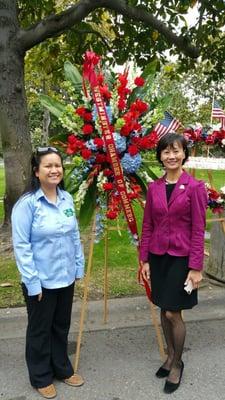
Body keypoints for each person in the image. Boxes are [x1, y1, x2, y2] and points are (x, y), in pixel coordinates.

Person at [11, 147, 85, 399]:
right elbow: (21, 246)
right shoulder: (27, 204)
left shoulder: (66, 198)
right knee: (40, 329)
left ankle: (62, 368)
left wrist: (78, 265)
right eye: (48, 166)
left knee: (61, 326)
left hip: (65, 277)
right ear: (36, 171)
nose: (55, 170)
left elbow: (74, 235)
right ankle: (40, 376)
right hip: (40, 281)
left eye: (58, 165)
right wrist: (33, 283)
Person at [139, 133, 208, 394]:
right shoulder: (154, 187)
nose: (171, 156)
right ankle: (168, 357)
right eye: (166, 152)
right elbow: (148, 226)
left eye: (176, 151)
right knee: (163, 307)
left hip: (182, 258)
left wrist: (196, 267)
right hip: (158, 258)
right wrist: (144, 259)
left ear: (184, 154)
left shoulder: (194, 187)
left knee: (173, 312)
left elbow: (198, 229)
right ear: (160, 156)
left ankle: (177, 363)